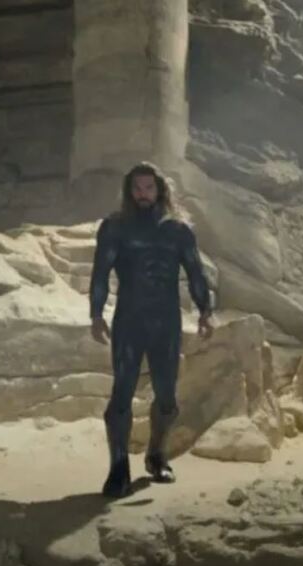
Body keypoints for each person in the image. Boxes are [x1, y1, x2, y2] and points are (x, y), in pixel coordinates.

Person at [89, 162, 214, 498]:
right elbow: (100, 273)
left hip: (166, 322)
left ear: (160, 190)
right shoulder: (115, 228)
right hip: (129, 319)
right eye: (137, 188)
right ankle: (118, 468)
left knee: (167, 397)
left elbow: (196, 273)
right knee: (121, 394)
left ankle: (156, 455)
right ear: (129, 191)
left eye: (148, 187)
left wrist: (205, 311)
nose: (143, 194)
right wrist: (96, 314)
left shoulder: (179, 230)